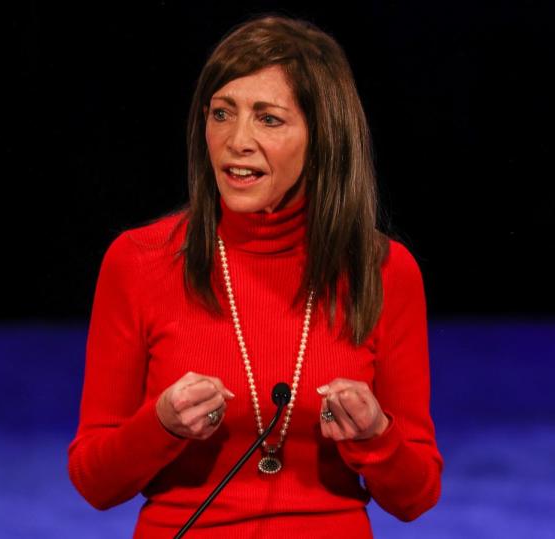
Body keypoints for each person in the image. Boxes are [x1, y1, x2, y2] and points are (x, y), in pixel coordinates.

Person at [67, 14, 443, 537]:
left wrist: (375, 436)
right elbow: (93, 480)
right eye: (222, 113)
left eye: (268, 119)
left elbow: (417, 495)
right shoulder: (138, 261)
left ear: (323, 138)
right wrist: (161, 425)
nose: (236, 140)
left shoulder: (384, 271)